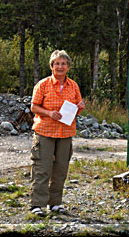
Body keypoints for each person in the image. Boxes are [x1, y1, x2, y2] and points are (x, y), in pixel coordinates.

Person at [29, 50, 85, 216]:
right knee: (42, 169)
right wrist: (49, 113)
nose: (60, 67)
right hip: (45, 131)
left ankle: (55, 204)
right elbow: (34, 107)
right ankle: (36, 205)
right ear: (52, 66)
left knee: (61, 169)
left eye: (63, 63)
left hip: (66, 133)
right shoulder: (43, 84)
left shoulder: (73, 85)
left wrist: (79, 108)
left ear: (67, 66)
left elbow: (76, 110)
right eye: (57, 64)